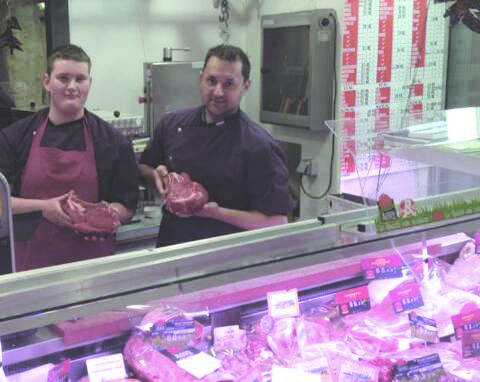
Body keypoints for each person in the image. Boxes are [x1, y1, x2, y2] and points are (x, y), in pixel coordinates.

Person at [0, 44, 138, 271]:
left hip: (93, 267)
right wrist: (44, 207)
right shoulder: (15, 137)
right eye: (63, 78)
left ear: (89, 83)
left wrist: (101, 219)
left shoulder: (114, 142)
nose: (72, 87)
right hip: (31, 269)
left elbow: (126, 206)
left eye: (80, 79)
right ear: (47, 81)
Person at [139, 44, 293, 247]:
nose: (218, 92)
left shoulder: (259, 145)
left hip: (227, 259)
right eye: (211, 81)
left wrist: (216, 213)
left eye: (229, 83)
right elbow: (143, 169)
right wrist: (156, 177)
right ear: (201, 78)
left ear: (246, 86)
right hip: (173, 251)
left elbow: (277, 221)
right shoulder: (172, 124)